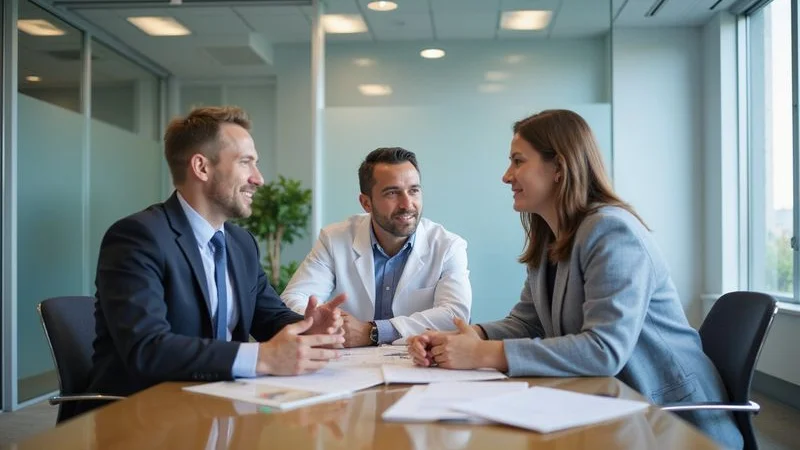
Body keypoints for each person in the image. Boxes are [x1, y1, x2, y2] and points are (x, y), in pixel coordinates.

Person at [407, 109, 743, 449]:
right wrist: (461, 339)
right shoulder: (551, 238)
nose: (506, 176)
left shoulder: (613, 231)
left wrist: (483, 354)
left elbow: (604, 350)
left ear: (559, 168)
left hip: (669, 421)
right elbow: (527, 322)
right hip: (605, 406)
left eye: (518, 161)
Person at [85, 106, 345, 409]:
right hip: (143, 413)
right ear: (202, 167)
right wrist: (263, 357)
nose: (259, 179)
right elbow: (148, 348)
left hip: (217, 403)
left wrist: (307, 327)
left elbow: (269, 317)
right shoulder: (138, 237)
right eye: (246, 163)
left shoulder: (240, 243)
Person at [281, 147, 471, 347]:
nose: (407, 204)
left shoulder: (448, 246)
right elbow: (293, 297)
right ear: (366, 203)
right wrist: (324, 321)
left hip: (418, 361)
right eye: (392, 193)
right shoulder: (335, 238)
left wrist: (372, 331)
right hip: (351, 365)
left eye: (414, 190)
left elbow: (455, 315)